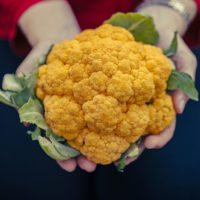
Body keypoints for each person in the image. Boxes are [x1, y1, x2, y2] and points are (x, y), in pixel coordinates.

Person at [0, 0, 199, 173]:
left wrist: (170, 10)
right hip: (35, 24)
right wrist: (41, 15)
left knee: (172, 184)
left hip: (170, 21)